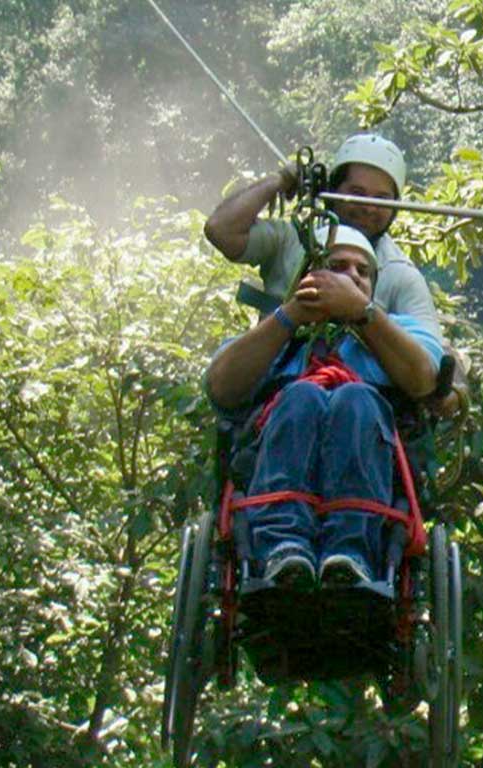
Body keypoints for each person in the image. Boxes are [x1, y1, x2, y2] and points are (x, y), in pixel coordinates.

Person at [205, 223, 442, 591]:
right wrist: (291, 316)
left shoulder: (399, 330)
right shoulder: (279, 336)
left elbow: (424, 379)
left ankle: (352, 553)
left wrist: (362, 314)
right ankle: (283, 548)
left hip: (373, 450)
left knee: (356, 399)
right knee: (302, 396)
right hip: (283, 427)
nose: (352, 276)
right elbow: (221, 387)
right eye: (338, 266)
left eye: (363, 272)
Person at [203, 133, 441, 342]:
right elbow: (220, 230)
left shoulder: (399, 274)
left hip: (357, 387)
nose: (369, 208)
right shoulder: (292, 239)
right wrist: (280, 181)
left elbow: (431, 355)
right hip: (278, 380)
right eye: (357, 193)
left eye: (381, 199)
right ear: (332, 192)